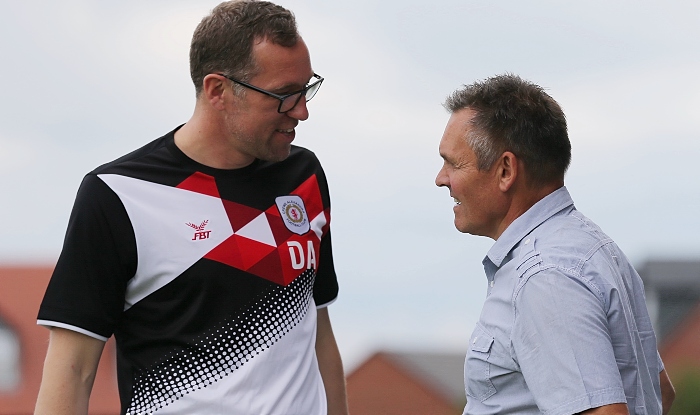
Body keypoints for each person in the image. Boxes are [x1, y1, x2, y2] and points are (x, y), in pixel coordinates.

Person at [34, 1, 348, 414]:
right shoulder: (117, 194)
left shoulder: (304, 176)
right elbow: (72, 371)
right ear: (217, 90)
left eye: (306, 89)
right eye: (284, 96)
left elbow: (318, 329)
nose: (302, 111)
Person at [435, 74, 675, 415]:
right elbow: (660, 392)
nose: (441, 178)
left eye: (453, 162)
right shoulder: (593, 251)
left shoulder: (545, 274)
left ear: (505, 170)